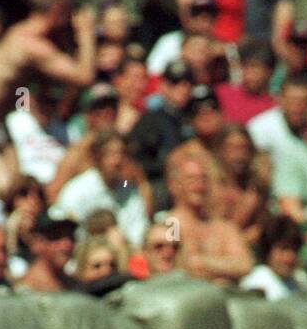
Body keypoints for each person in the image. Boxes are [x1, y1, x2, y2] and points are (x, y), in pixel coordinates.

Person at [0, 0, 96, 116]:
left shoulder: (18, 31)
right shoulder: (32, 45)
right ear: (57, 10)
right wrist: (86, 33)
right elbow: (85, 77)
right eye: (69, 12)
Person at [164, 147, 253, 284]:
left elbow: (245, 264)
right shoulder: (171, 224)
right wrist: (224, 268)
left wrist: (201, 261)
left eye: (203, 179)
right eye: (191, 179)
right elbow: (181, 266)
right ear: (176, 185)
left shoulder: (223, 227)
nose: (199, 186)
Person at [54, 129, 150, 248]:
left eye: (122, 153)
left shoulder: (129, 190)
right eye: (111, 154)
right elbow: (61, 226)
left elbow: (138, 234)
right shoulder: (77, 190)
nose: (117, 161)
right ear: (97, 157)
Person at [125, 60, 194, 189]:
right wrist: (166, 163)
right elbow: (133, 161)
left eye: (187, 83)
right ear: (163, 86)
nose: (183, 88)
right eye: (175, 83)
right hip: (157, 185)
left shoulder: (193, 118)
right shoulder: (150, 119)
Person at [240, 213, 307, 298]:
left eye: (294, 250)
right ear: (267, 250)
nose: (290, 257)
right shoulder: (256, 281)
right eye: (283, 249)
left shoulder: (301, 279)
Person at [247, 72, 307, 160]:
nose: (299, 106)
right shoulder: (260, 127)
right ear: (281, 100)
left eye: (304, 101)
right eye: (293, 100)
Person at [16, 210, 79, 291]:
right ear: (36, 243)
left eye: (71, 237)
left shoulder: (73, 283)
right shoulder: (26, 289)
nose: (67, 245)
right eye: (56, 237)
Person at [216, 37, 276, 123]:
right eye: (244, 67)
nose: (248, 74)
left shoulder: (276, 106)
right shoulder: (222, 94)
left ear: (269, 71)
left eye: (254, 67)